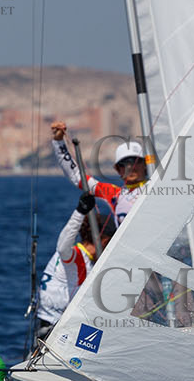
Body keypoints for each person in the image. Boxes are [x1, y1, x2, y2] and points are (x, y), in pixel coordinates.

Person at [34, 192, 115, 340]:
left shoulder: (89, 262)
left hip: (59, 326)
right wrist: (80, 212)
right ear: (104, 242)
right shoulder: (76, 257)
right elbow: (63, 246)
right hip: (52, 330)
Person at [50, 121, 149, 224]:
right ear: (118, 169)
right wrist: (59, 142)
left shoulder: (157, 188)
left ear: (145, 165)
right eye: (124, 163)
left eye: (135, 161)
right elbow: (76, 176)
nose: (130, 167)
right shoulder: (114, 194)